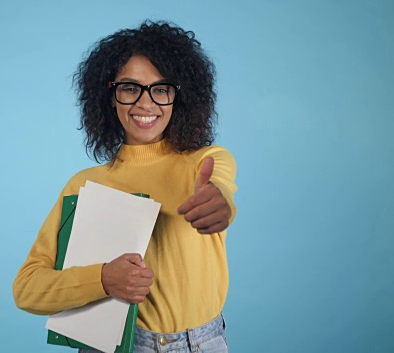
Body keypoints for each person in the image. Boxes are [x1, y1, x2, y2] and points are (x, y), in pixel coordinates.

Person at [13, 20, 237, 353]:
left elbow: (221, 192)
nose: (146, 103)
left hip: (202, 343)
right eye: (130, 88)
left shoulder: (204, 163)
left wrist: (219, 206)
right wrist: (102, 279)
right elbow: (27, 289)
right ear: (111, 97)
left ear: (179, 97)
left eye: (161, 89)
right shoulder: (84, 185)